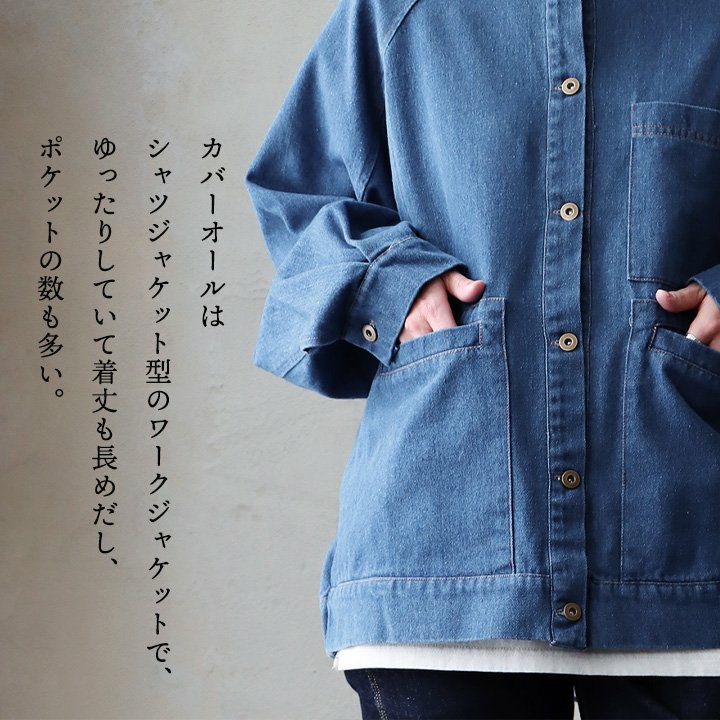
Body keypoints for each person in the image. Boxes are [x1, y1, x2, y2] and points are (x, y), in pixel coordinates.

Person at [245, 0, 720, 717]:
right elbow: (294, 194)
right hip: (440, 568)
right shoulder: (395, 13)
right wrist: (388, 281)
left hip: (687, 568)